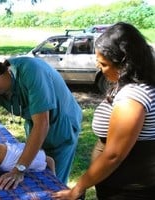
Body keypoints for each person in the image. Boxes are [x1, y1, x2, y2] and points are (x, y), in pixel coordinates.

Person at [0, 51, 82, 189]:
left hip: (62, 127)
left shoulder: (31, 71)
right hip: (35, 125)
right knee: (34, 174)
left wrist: (18, 169)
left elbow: (42, 124)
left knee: (52, 185)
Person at [53, 22, 155, 200]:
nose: (99, 68)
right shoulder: (136, 85)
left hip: (129, 189)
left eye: (104, 64)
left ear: (125, 63)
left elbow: (114, 155)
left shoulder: (133, 97)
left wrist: (77, 188)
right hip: (119, 184)